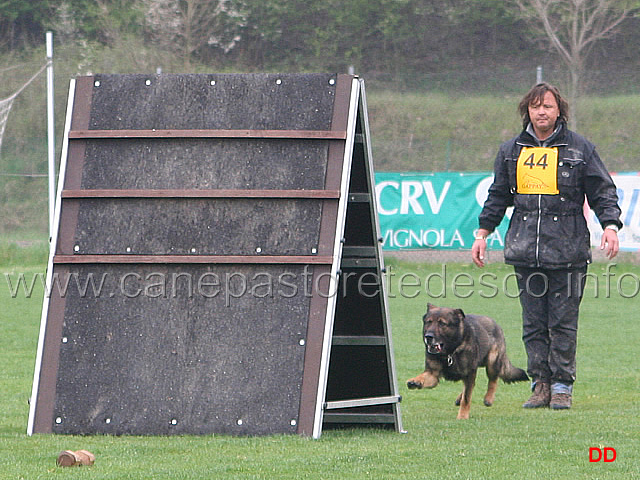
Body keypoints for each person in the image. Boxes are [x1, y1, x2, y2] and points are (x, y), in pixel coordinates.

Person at [471, 82, 622, 410]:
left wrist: (610, 226)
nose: (542, 112)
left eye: (548, 106)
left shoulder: (580, 149)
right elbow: (498, 196)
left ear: (559, 111)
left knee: (563, 323)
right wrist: (482, 234)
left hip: (569, 252)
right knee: (534, 324)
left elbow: (602, 191)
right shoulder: (512, 151)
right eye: (536, 106)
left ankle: (562, 386)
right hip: (526, 252)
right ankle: (540, 385)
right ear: (527, 110)